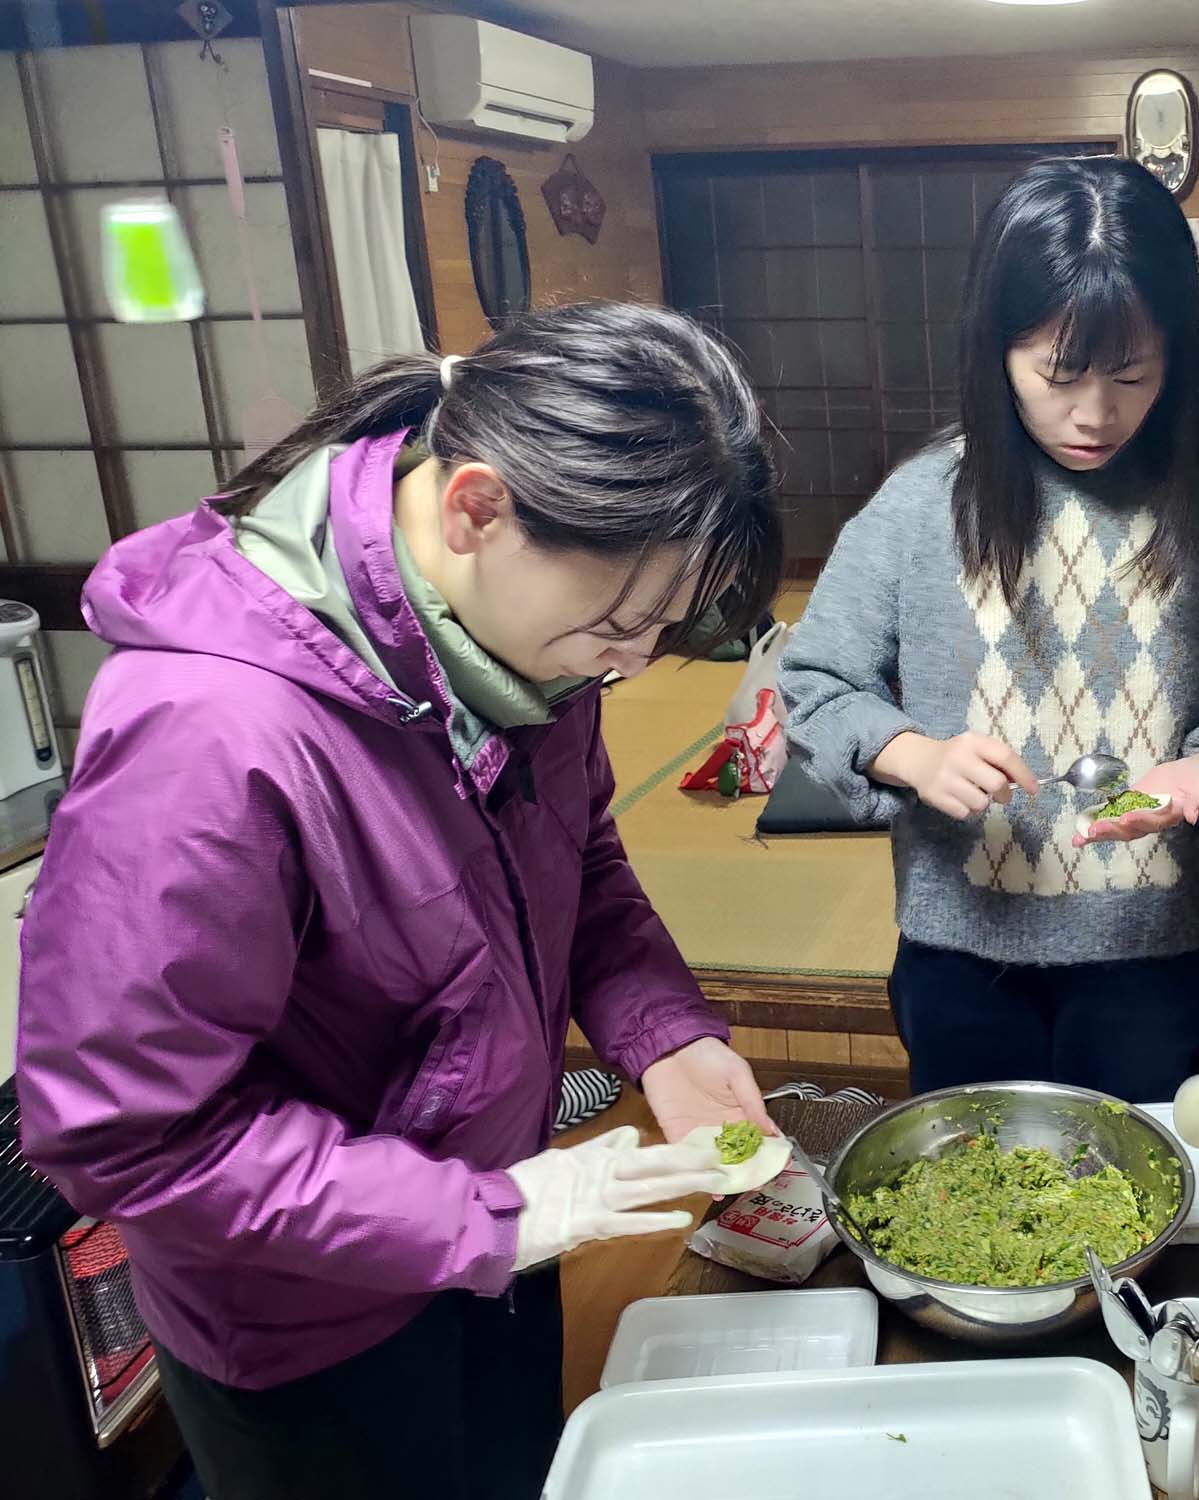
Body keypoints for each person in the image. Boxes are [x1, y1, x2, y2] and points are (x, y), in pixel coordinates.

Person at [17, 303, 785, 1500]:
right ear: (476, 507)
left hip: (498, 1234)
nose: (631, 663)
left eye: (660, 628)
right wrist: (482, 1217)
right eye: (619, 623)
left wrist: (665, 1038)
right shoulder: (210, 738)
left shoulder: (526, 642)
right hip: (306, 1334)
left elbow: (577, 869)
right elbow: (125, 1136)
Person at [780, 157, 1199, 1102]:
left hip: (1165, 951)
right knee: (974, 1204)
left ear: (1177, 358)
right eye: (1058, 373)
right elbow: (817, 680)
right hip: (961, 949)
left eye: (1133, 374)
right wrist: (911, 754)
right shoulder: (922, 505)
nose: (1095, 413)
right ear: (996, 349)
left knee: (1150, 1203)